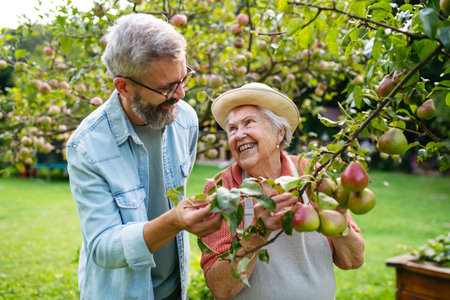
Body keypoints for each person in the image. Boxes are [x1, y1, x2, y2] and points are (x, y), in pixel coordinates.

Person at [66, 14, 222, 300]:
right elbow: (103, 247)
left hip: (176, 290)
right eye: (166, 88)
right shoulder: (87, 146)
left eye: (183, 77)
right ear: (123, 87)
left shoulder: (185, 119)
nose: (181, 94)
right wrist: (175, 221)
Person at [200, 83, 365, 299]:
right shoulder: (222, 187)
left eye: (248, 123)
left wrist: (340, 218)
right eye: (232, 129)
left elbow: (353, 260)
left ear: (279, 133)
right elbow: (221, 288)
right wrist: (256, 234)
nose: (238, 135)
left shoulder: (310, 174)